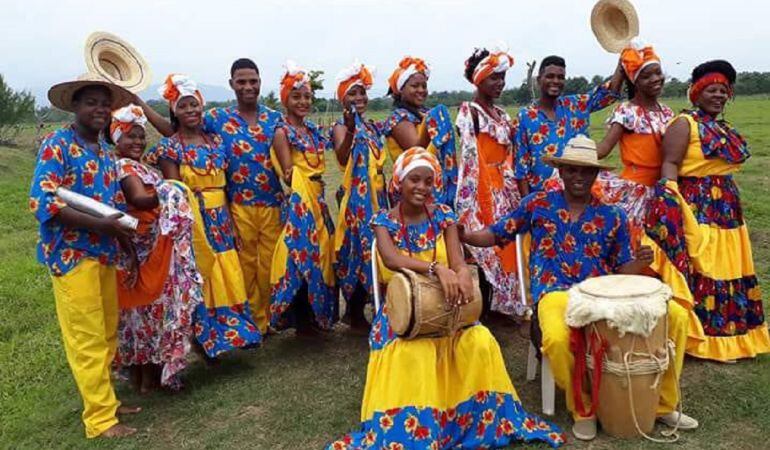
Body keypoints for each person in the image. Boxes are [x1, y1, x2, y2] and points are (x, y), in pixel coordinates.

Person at [462, 136, 698, 441]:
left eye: (586, 171)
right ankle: (583, 408)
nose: (578, 177)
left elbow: (623, 270)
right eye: (572, 170)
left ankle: (662, 405)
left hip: (603, 295)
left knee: (676, 316)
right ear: (561, 172)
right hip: (556, 294)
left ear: (596, 175)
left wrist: (639, 264)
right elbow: (496, 234)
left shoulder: (613, 216)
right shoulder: (537, 204)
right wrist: (463, 233)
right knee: (559, 339)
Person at [327, 148, 565, 449]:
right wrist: (435, 269)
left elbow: (457, 259)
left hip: (450, 309)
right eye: (414, 179)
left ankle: (475, 419)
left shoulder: (444, 215)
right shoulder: (383, 221)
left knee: (481, 341)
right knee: (416, 353)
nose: (422, 187)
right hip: (402, 314)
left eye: (428, 181)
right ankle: (420, 428)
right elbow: (389, 258)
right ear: (399, 181)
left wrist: (463, 274)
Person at [29, 77, 140, 438]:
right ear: (75, 107)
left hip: (105, 255)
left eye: (105, 104)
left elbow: (116, 212)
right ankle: (101, 420)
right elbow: (42, 201)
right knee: (87, 337)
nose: (100, 110)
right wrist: (98, 225)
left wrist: (128, 251)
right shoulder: (57, 145)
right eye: (91, 103)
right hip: (71, 256)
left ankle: (108, 400)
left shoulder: (106, 154)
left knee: (108, 333)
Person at [650, 60, 770, 362]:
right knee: (702, 267)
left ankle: (729, 339)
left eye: (723, 91)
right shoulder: (684, 124)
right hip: (696, 207)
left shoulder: (721, 129)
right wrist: (668, 199)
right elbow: (670, 164)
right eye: (712, 90)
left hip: (726, 211)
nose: (718, 95)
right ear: (697, 93)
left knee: (730, 268)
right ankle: (696, 338)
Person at [146, 74, 261, 358]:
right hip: (194, 224)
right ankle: (205, 343)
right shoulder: (170, 148)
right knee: (201, 279)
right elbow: (175, 193)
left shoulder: (216, 142)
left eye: (194, 105)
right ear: (174, 111)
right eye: (183, 106)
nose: (190, 111)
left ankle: (235, 335)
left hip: (222, 219)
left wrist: (232, 222)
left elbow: (227, 187)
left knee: (228, 274)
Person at [109, 104, 203, 392]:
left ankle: (150, 376)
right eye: (130, 137)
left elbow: (173, 136)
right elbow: (138, 199)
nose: (137, 142)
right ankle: (146, 379)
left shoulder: (141, 165)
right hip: (140, 249)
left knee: (151, 313)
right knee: (142, 313)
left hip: (154, 246)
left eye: (140, 136)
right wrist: (170, 189)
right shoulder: (123, 167)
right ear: (116, 140)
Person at [455, 46, 524, 317]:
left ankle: (501, 305)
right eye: (494, 78)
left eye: (503, 78)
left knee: (505, 244)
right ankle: (482, 310)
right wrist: (475, 198)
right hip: (482, 186)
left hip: (504, 187)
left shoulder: (502, 115)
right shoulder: (470, 113)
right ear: (479, 79)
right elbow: (470, 158)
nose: (500, 84)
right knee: (483, 247)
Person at [269, 61, 337, 335]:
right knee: (299, 257)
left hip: (318, 200)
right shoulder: (281, 132)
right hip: (299, 202)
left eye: (307, 97)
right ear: (285, 99)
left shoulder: (311, 131)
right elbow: (287, 174)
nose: (303, 101)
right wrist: (301, 186)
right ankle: (300, 321)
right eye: (296, 96)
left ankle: (315, 316)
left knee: (321, 255)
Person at [594, 39, 674, 245]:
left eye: (658, 73)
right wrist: (573, 156)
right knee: (633, 246)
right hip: (634, 191)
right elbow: (603, 149)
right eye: (647, 76)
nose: (656, 79)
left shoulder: (667, 112)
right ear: (635, 81)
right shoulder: (626, 111)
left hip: (663, 188)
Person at [514, 55, 624, 196]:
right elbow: (521, 168)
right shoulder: (525, 117)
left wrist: (621, 66)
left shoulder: (576, 105)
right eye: (550, 76)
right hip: (544, 198)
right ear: (539, 79)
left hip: (581, 192)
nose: (555, 81)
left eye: (560, 77)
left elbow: (609, 94)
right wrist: (527, 206)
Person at [331, 60, 386, 332]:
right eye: (352, 93)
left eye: (362, 92)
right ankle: (353, 313)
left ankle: (373, 305)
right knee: (356, 251)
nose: (358, 98)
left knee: (377, 250)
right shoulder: (340, 126)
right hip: (356, 201)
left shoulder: (373, 127)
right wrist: (351, 128)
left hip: (377, 197)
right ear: (342, 97)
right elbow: (342, 155)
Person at [382, 56, 457, 206]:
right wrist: (430, 123)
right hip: (413, 188)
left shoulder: (424, 113)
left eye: (424, 86)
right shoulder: (398, 118)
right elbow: (418, 151)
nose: (421, 90)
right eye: (415, 86)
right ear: (401, 89)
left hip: (431, 183)